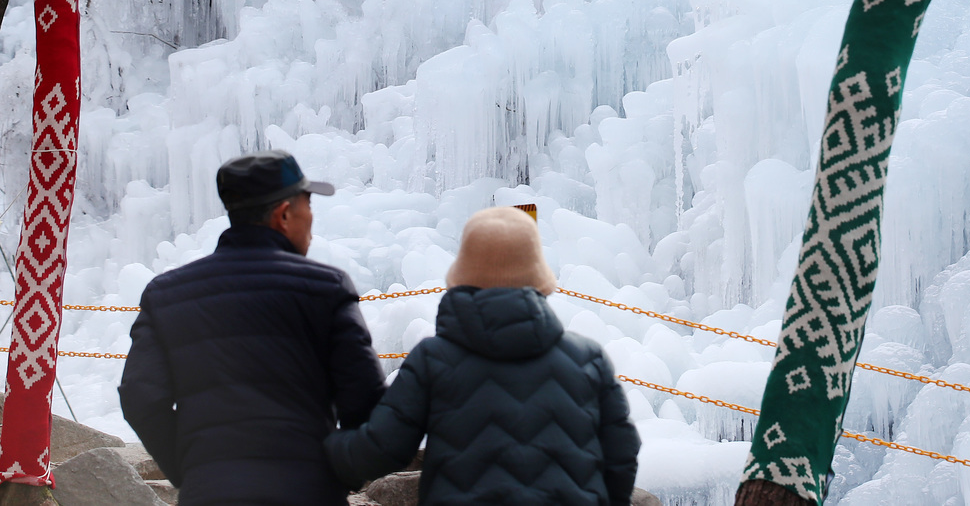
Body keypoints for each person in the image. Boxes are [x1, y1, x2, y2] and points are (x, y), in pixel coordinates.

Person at [119, 150, 386, 506]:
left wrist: (192, 472)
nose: (311, 219)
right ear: (285, 214)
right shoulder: (327, 288)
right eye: (309, 206)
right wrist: (341, 473)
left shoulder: (165, 294)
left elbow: (140, 399)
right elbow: (366, 400)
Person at [325, 206, 640, 505]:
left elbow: (382, 448)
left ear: (463, 272)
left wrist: (319, 450)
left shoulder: (434, 359)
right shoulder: (588, 359)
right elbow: (622, 449)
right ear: (538, 278)